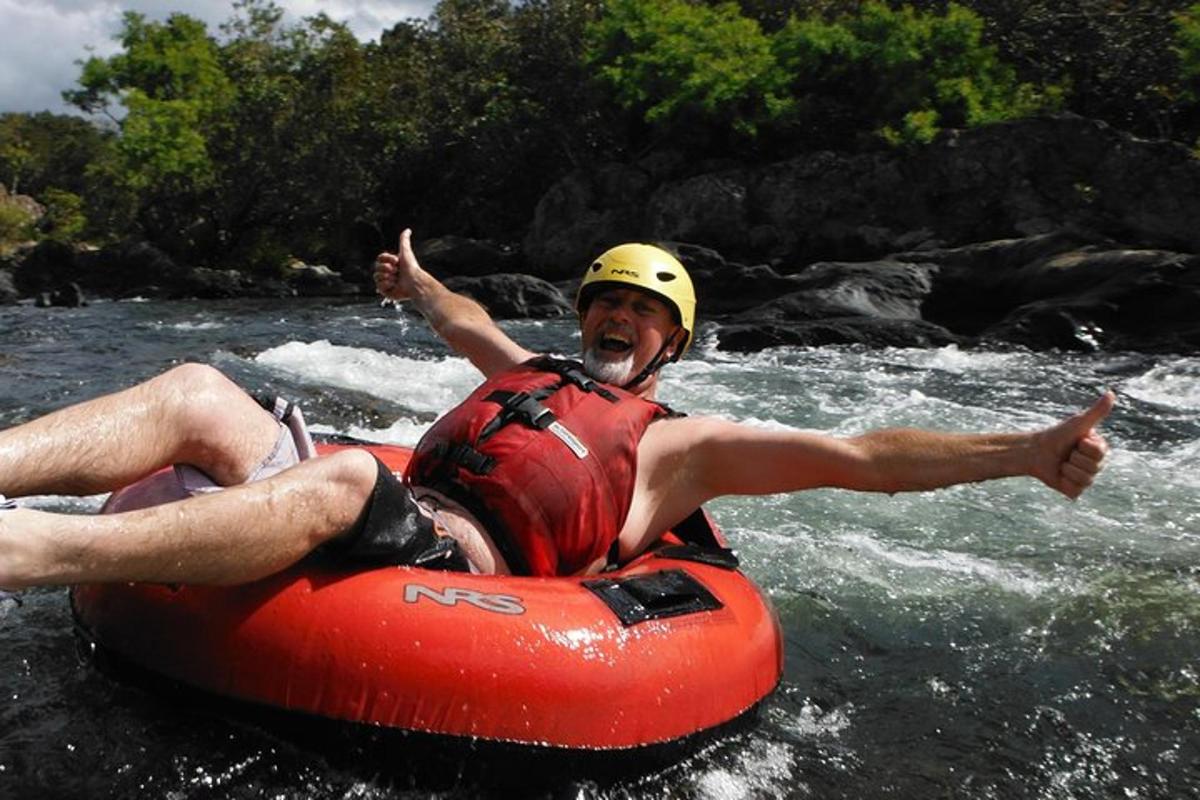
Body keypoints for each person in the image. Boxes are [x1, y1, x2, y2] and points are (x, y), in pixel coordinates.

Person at [0, 230, 1114, 589]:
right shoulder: (531, 366)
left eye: (641, 312)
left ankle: (24, 552)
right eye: (606, 304)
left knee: (346, 476)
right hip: (373, 506)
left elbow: (866, 452)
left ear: (669, 342)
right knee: (201, 388)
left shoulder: (687, 445)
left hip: (446, 560)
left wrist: (1024, 451)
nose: (617, 319)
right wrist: (419, 282)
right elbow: (460, 321)